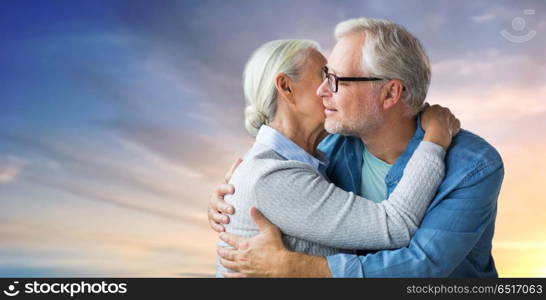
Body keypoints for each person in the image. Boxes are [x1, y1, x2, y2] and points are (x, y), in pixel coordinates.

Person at [210, 18, 504, 277]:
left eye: (335, 79)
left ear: (390, 93)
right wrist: (233, 193)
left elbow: (421, 267)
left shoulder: (473, 166)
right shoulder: (331, 146)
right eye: (324, 76)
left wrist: (298, 269)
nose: (323, 90)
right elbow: (271, 176)